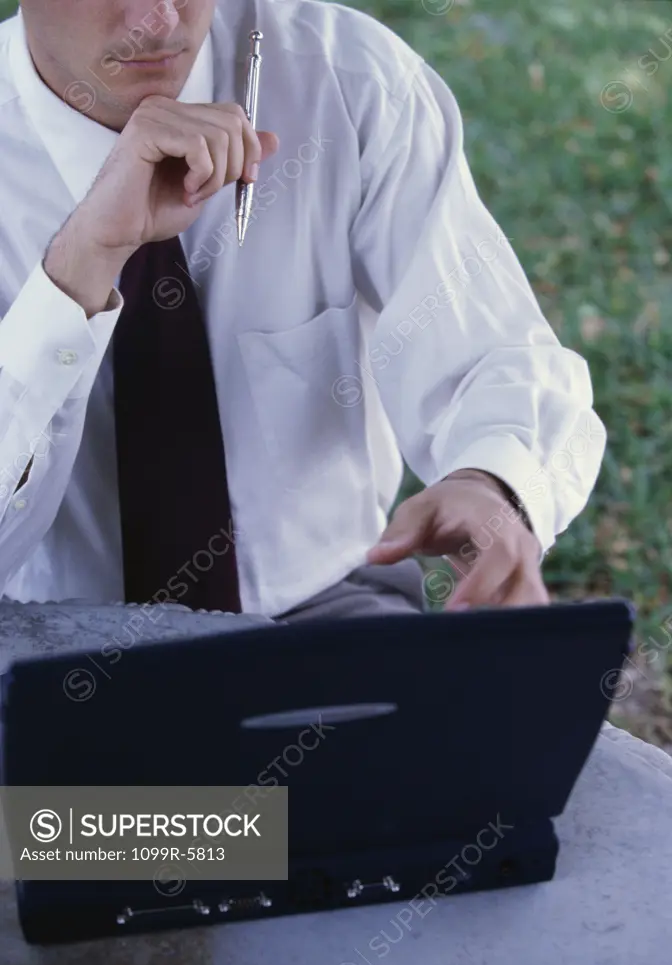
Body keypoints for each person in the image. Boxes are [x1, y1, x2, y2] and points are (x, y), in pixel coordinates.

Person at [0, 0, 605, 623]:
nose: (159, 18)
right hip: (38, 633)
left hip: (321, 609)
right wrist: (77, 269)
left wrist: (492, 483)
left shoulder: (349, 81)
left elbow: (498, 354)